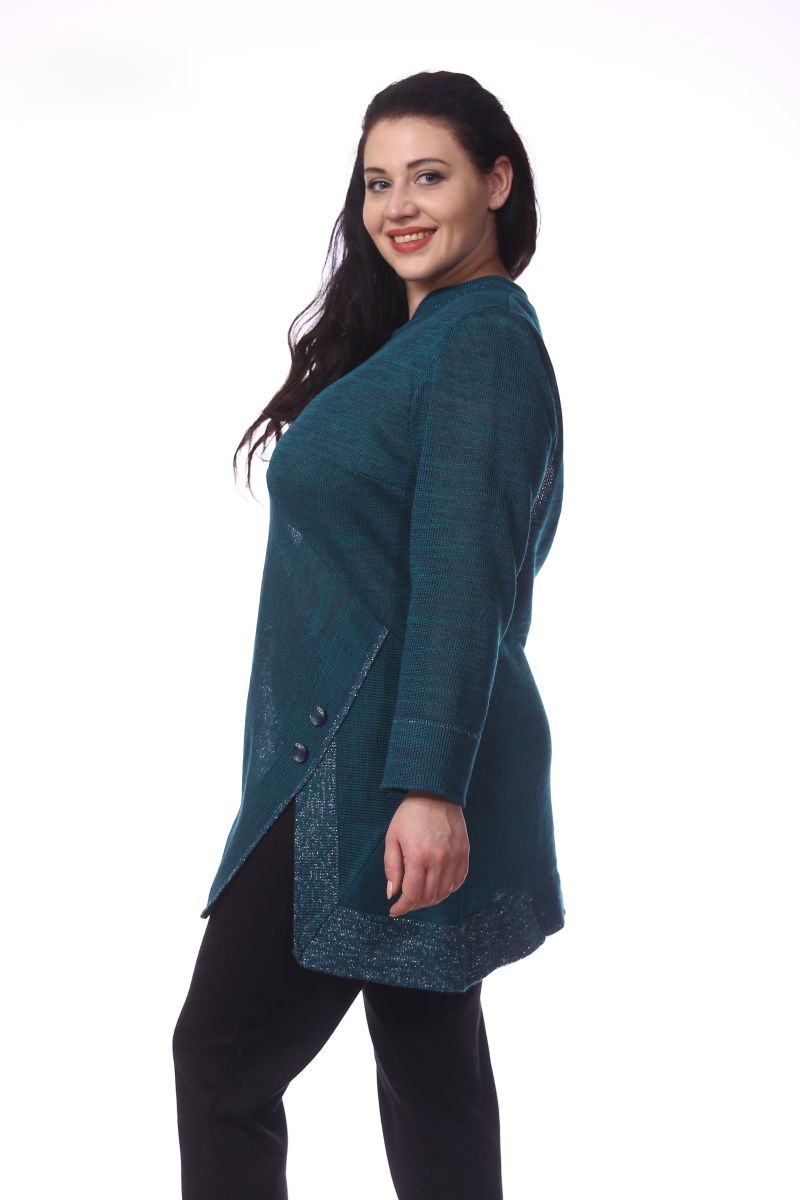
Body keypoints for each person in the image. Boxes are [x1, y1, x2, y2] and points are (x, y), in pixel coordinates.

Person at [172, 68, 566, 1200]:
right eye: (376, 182)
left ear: (496, 182)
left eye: (427, 176)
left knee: (222, 1062)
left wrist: (428, 787)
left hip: (373, 766)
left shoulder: (478, 343)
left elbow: (463, 580)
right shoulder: (423, 340)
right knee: (430, 1069)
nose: (397, 206)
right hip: (372, 747)